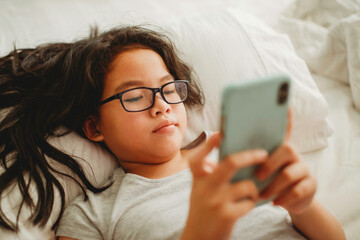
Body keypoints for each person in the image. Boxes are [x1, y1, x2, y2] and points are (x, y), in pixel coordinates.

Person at [0, 26, 345, 240]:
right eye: (134, 96)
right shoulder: (92, 216)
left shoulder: (232, 151)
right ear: (94, 127)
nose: (161, 105)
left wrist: (303, 206)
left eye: (168, 89)